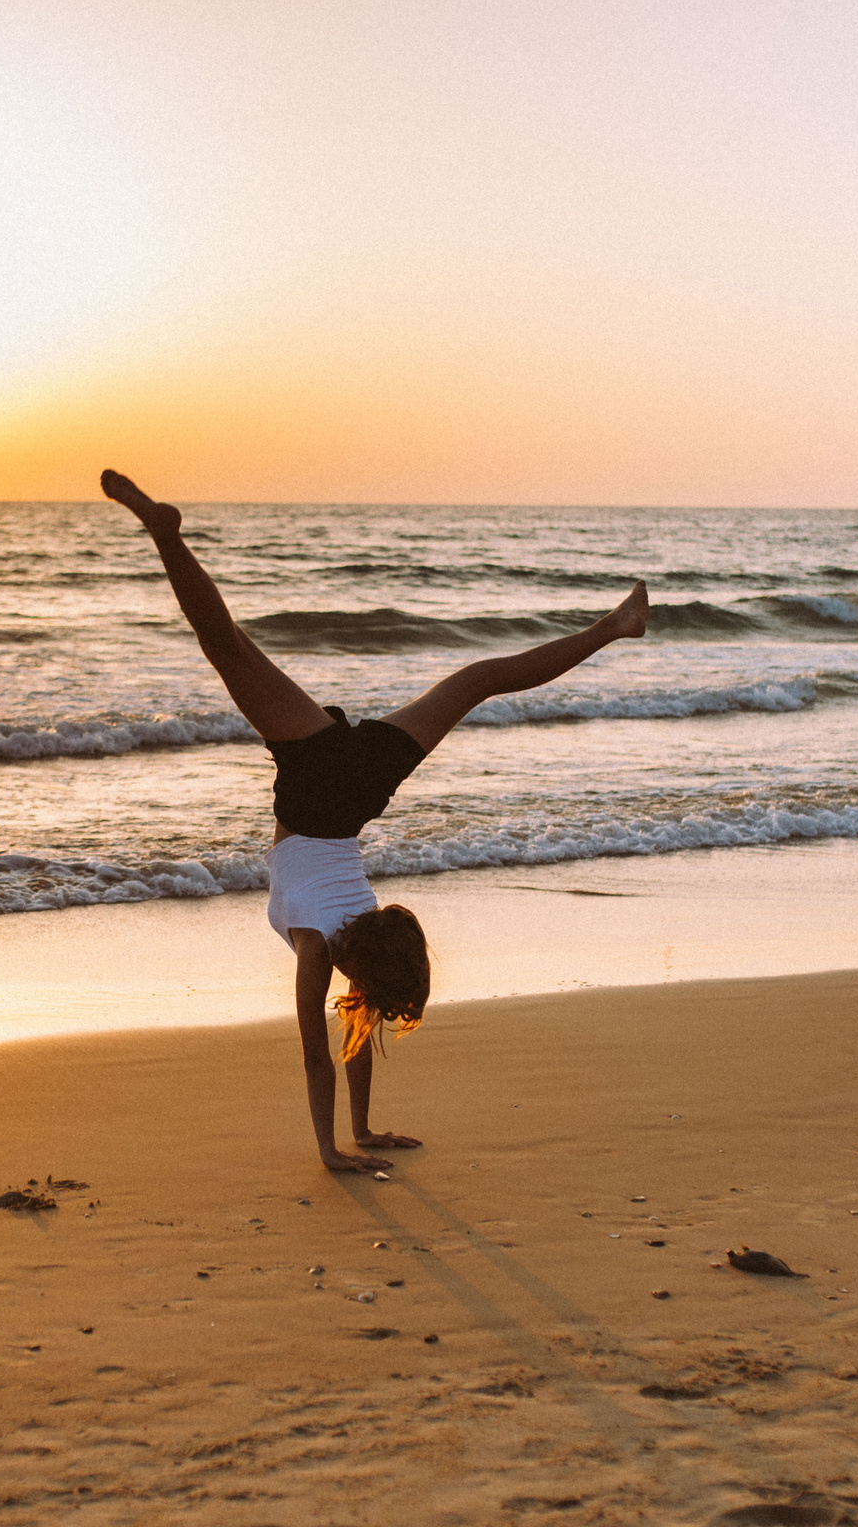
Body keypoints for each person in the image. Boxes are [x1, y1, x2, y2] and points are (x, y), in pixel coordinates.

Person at [101, 469, 648, 1172]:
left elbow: (351, 1040)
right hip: (317, 782)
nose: (368, 1006)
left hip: (359, 785)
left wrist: (362, 1132)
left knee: (477, 680)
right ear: (364, 965)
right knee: (226, 646)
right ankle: (165, 536)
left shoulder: (369, 922)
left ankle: (616, 625)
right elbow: (316, 1056)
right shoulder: (313, 947)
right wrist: (330, 1149)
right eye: (378, 996)